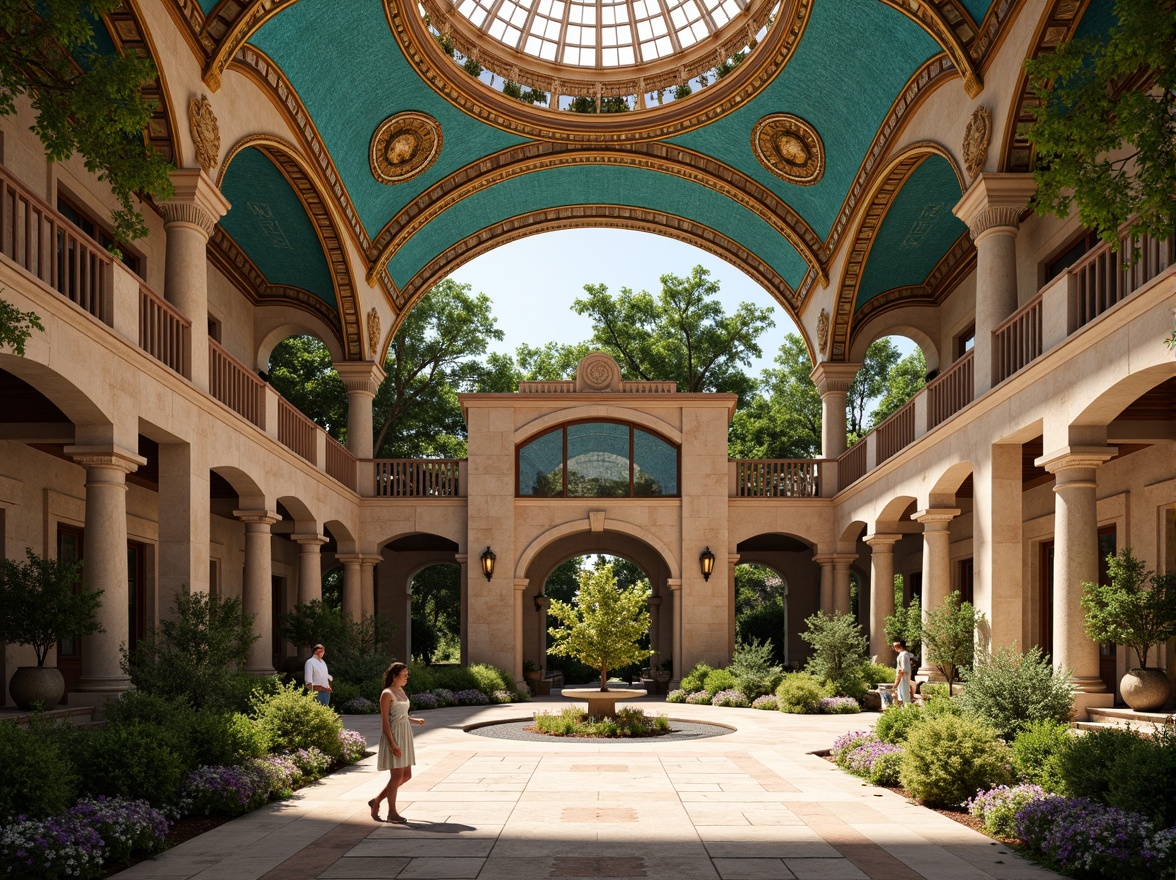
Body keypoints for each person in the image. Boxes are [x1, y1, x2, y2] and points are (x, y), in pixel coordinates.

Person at [369, 661, 425, 823]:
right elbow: (385, 722)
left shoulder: (400, 690)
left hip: (405, 734)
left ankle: (376, 800)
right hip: (394, 735)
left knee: (406, 775)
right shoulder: (386, 694)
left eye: (407, 675)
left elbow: (402, 715)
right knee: (397, 776)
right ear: (394, 676)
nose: (407, 678)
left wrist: (414, 720)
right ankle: (392, 812)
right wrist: (393, 744)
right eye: (404, 676)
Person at [893, 640, 914, 707]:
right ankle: (903, 710)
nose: (894, 648)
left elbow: (903, 668)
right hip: (901, 676)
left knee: (904, 694)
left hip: (903, 676)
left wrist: (898, 680)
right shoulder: (901, 654)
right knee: (900, 695)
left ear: (901, 646)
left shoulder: (904, 654)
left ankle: (907, 710)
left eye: (896, 646)